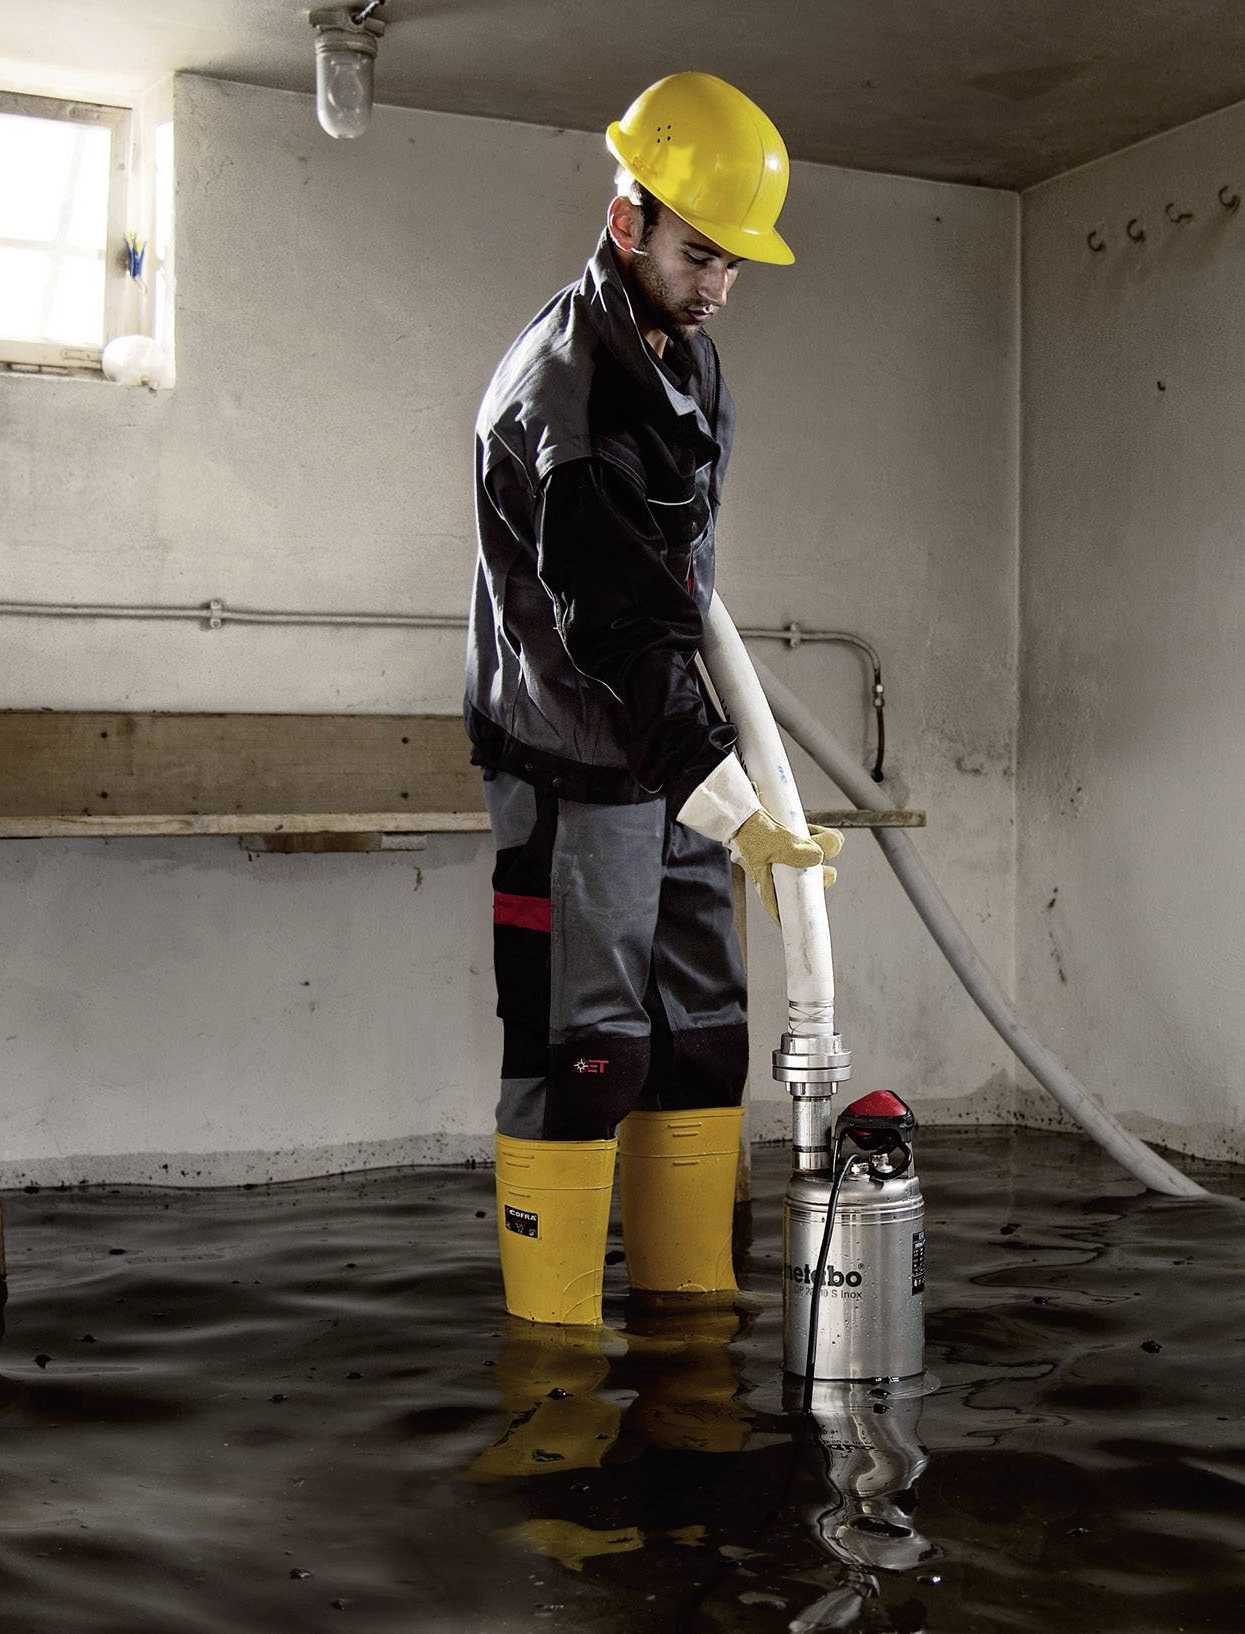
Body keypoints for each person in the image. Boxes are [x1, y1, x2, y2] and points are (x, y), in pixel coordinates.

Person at [466, 71, 842, 1326]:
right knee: (586, 1056)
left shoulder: (690, 357)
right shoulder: (561, 391)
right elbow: (617, 618)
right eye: (700, 252)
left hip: (678, 756)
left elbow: (683, 593)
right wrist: (729, 795)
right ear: (627, 223)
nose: (720, 282)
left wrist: (719, 778)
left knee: (698, 1045)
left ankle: (692, 1359)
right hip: (579, 764)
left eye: (736, 260)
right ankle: (555, 1374)